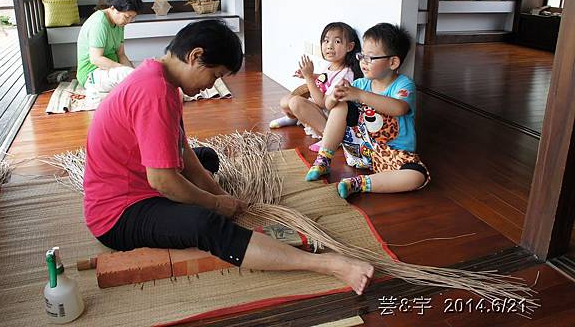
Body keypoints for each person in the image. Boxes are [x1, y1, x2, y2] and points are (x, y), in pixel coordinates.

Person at [83, 19, 375, 295]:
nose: (212, 85)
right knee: (204, 223)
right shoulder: (154, 91)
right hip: (117, 214)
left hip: (136, 178)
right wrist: (216, 204)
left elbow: (182, 150)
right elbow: (162, 180)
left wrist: (221, 194)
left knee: (206, 158)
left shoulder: (161, 79)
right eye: (215, 75)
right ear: (196, 56)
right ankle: (329, 264)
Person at [305, 23, 430, 198]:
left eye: (370, 57)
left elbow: (399, 108)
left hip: (392, 154)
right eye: (361, 55)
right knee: (341, 104)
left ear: (393, 62)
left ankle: (359, 183)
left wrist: (360, 95)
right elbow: (327, 104)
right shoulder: (360, 84)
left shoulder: (403, 84)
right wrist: (336, 96)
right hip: (361, 149)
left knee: (417, 176)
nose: (363, 62)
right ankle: (324, 159)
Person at [269, 22, 362, 152]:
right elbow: (326, 78)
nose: (329, 46)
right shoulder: (332, 65)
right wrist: (312, 75)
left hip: (330, 118)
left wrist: (308, 78)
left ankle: (329, 136)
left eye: (337, 42)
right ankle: (294, 118)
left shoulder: (346, 75)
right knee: (285, 100)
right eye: (326, 41)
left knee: (295, 102)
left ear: (350, 47)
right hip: (318, 108)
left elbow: (323, 102)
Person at [76, 0, 143, 102]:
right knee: (133, 75)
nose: (129, 21)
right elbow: (96, 59)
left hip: (112, 69)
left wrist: (131, 72)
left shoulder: (119, 23)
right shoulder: (99, 24)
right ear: (113, 8)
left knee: (146, 67)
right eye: (127, 17)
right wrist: (126, 71)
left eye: (132, 17)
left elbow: (121, 54)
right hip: (92, 74)